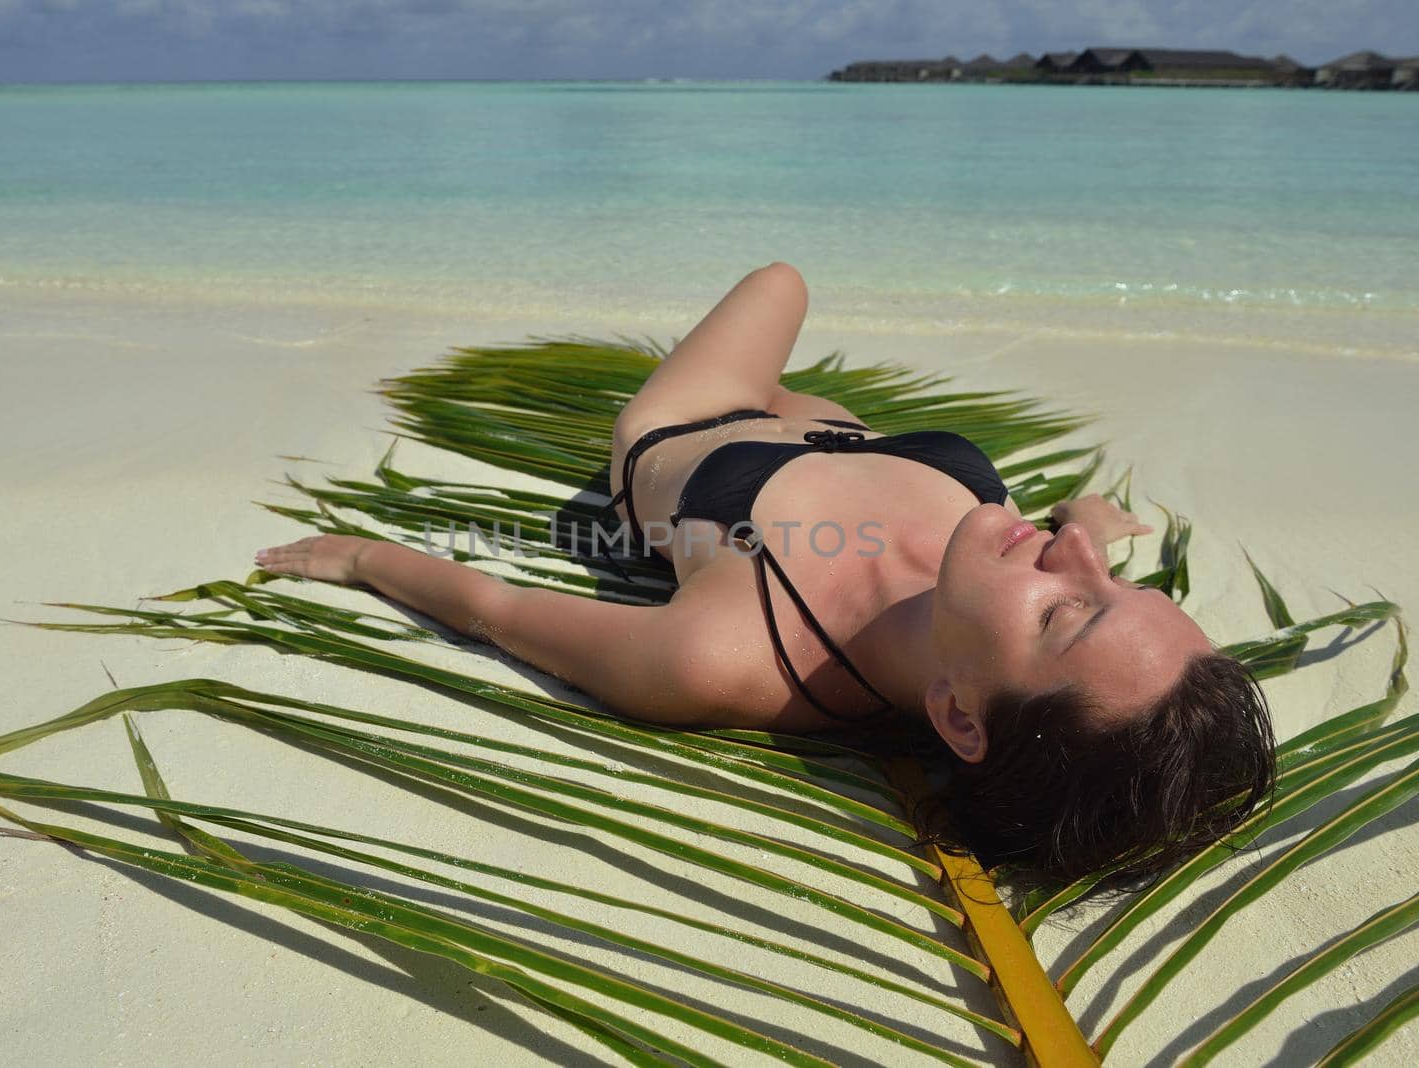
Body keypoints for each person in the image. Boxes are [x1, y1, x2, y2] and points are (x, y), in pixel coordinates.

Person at [255, 262, 1275, 888]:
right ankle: (789, 395)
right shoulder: (1008, 564)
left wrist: (355, 557)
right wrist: (1087, 523)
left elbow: (497, 609)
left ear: (960, 719)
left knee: (777, 283)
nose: (1076, 556)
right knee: (792, 321)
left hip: (697, 427)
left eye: (1064, 613)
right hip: (827, 429)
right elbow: (1073, 550)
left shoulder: (728, 654)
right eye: (1126, 585)